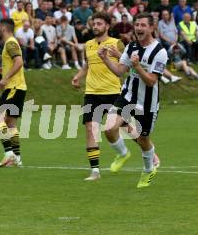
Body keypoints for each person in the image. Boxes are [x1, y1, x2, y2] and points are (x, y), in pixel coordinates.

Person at [98, 13, 167, 188]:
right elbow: (120, 71)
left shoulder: (160, 52)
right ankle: (122, 154)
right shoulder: (131, 47)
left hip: (147, 103)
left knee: (144, 140)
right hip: (127, 97)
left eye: (143, 25)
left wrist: (137, 67)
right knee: (109, 128)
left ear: (151, 28)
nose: (139, 28)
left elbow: (152, 81)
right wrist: (105, 59)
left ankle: (148, 170)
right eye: (137, 25)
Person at [71, 12, 125, 180]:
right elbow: (88, 64)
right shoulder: (88, 44)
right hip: (92, 93)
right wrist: (78, 76)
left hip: (113, 92)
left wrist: (119, 55)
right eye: (94, 23)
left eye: (99, 23)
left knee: (127, 128)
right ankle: (95, 171)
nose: (95, 26)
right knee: (90, 129)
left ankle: (149, 155)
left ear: (107, 26)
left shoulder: (116, 43)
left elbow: (128, 64)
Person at [0, 18, 27, 167]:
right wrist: (1, 71)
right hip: (18, 87)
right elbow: (15, 63)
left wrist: (5, 78)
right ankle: (17, 158)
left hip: (13, 87)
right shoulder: (11, 42)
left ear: (3, 28)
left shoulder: (10, 43)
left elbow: (19, 62)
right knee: (11, 123)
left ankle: (8, 153)